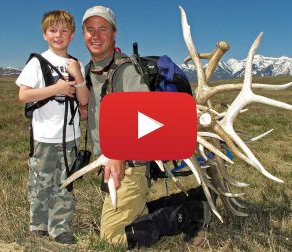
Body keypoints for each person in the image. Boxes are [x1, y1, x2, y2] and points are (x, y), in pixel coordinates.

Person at [82, 5, 210, 249]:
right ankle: (195, 198)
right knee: (134, 216)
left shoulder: (125, 70)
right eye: (90, 30)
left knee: (112, 237)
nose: (96, 35)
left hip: (130, 164)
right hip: (114, 161)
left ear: (114, 33)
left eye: (103, 29)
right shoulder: (92, 70)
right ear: (84, 34)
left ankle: (189, 213)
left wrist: (118, 153)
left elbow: (145, 112)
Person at [15, 10, 88, 244]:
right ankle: (37, 225)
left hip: (70, 137)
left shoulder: (76, 63)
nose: (59, 35)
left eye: (64, 30)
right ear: (45, 34)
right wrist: (56, 89)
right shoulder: (38, 62)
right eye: (53, 30)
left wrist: (79, 78)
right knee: (40, 183)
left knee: (65, 185)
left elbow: (84, 100)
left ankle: (60, 227)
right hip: (45, 137)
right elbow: (24, 95)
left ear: (72, 34)